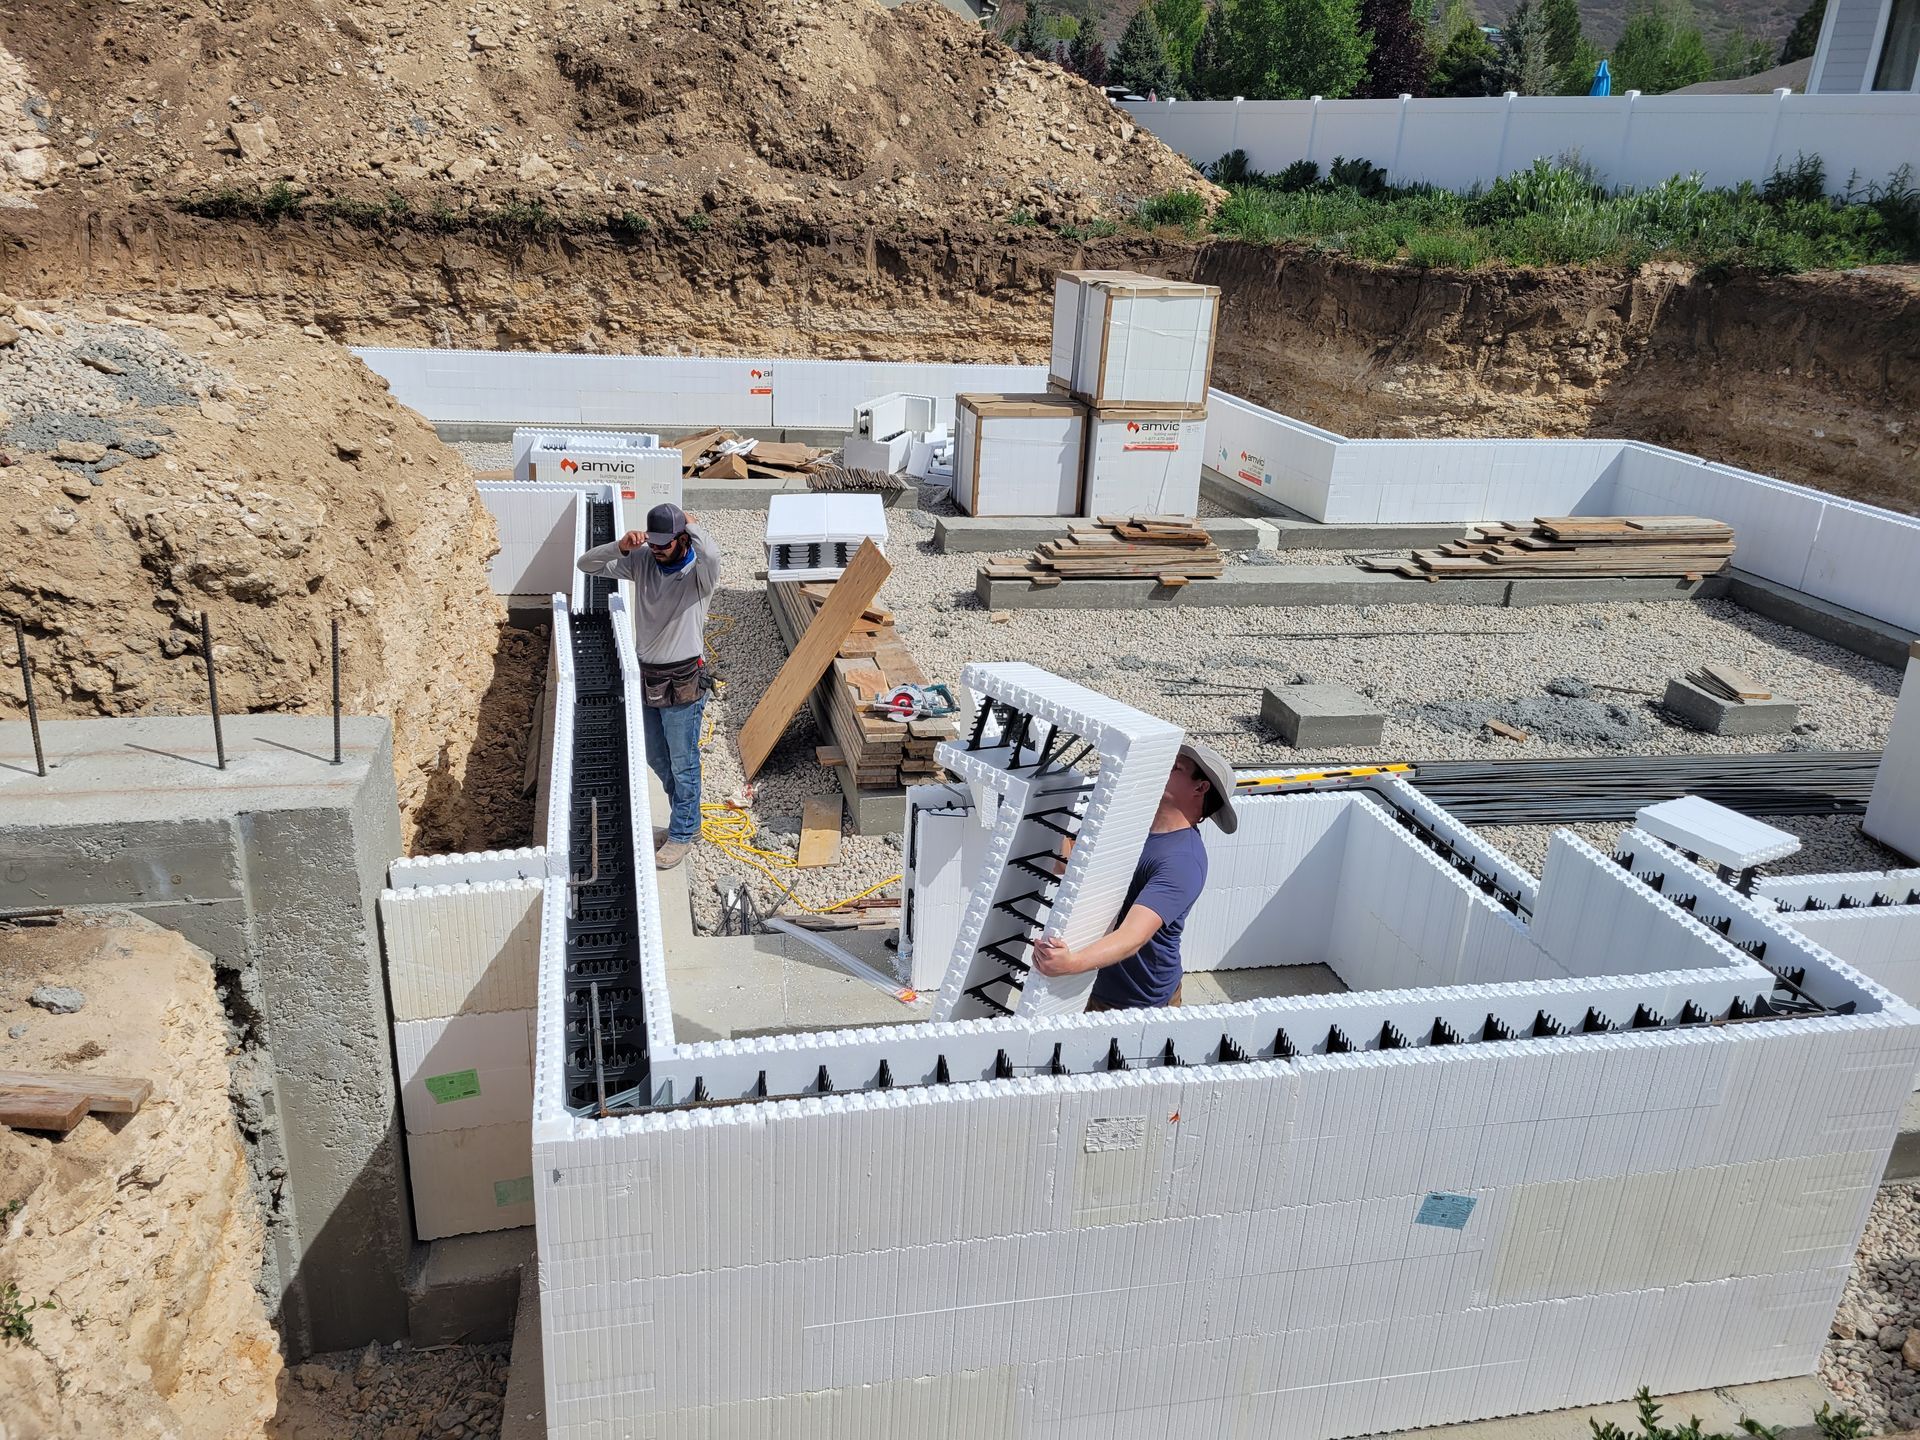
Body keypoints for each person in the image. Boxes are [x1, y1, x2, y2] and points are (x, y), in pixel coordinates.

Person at [1030, 740, 1237, 1009]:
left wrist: (1072, 963)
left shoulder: (1182, 861)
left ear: (1200, 787)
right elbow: (1065, 863)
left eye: (1176, 767)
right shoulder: (1130, 823)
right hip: (1092, 981)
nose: (1164, 768)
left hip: (1137, 1002)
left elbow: (1132, 937)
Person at [576, 502, 719, 869]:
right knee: (657, 757)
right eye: (652, 543)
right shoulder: (641, 561)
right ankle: (685, 822)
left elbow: (713, 554)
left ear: (682, 539)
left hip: (683, 678)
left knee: (684, 762)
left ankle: (683, 835)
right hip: (648, 675)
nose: (656, 549)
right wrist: (620, 547)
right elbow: (587, 565)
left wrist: (693, 522)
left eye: (664, 543)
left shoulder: (699, 575)